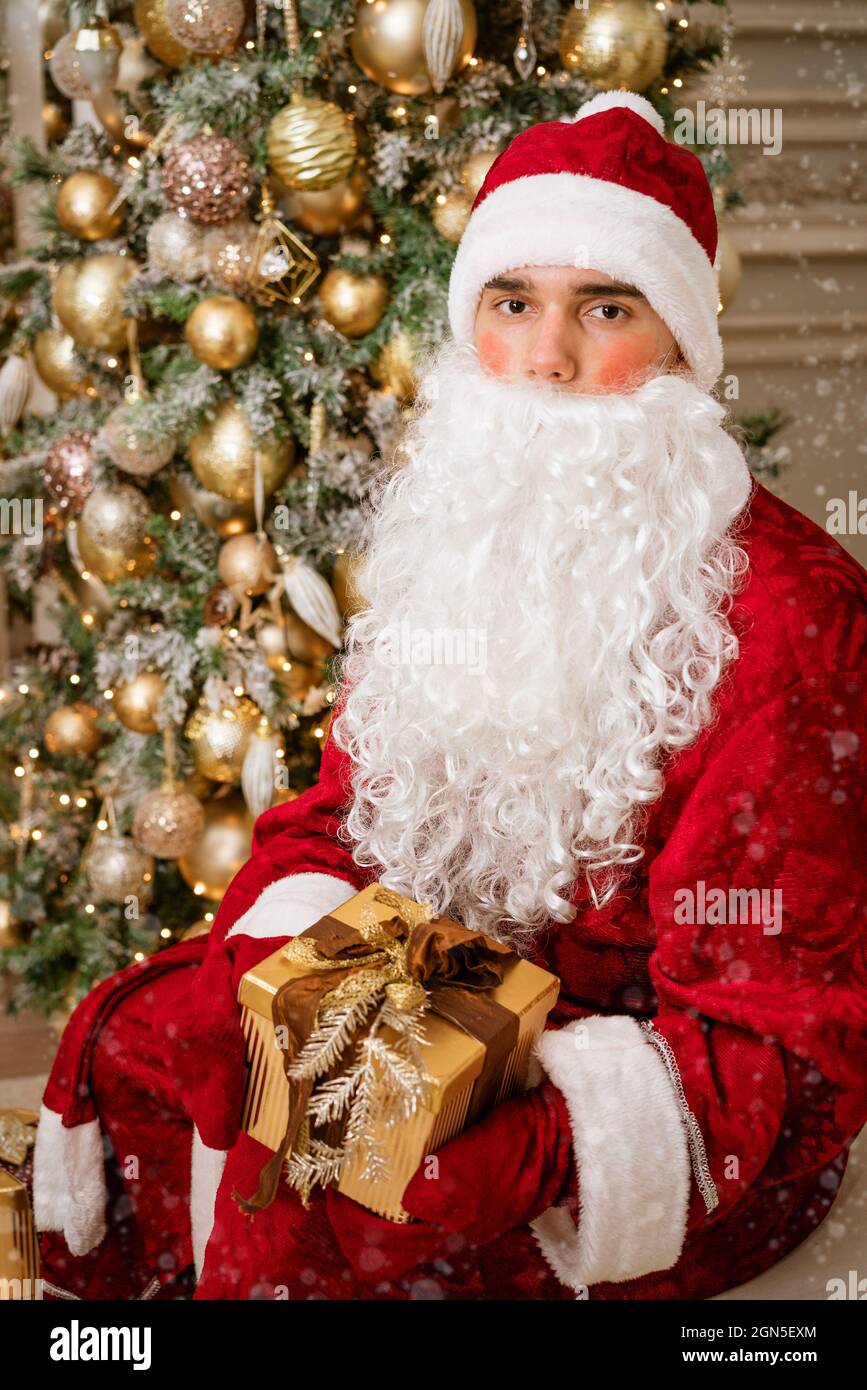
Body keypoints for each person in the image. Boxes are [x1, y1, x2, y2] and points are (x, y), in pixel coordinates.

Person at [33, 91, 867, 1301]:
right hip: (442, 1005)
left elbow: (781, 1037)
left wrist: (521, 1148)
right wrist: (269, 973)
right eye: (513, 302)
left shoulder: (796, 619)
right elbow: (334, 819)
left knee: (333, 1205)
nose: (547, 358)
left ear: (683, 345)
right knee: (142, 1043)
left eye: (608, 308)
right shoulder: (465, 531)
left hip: (654, 1110)